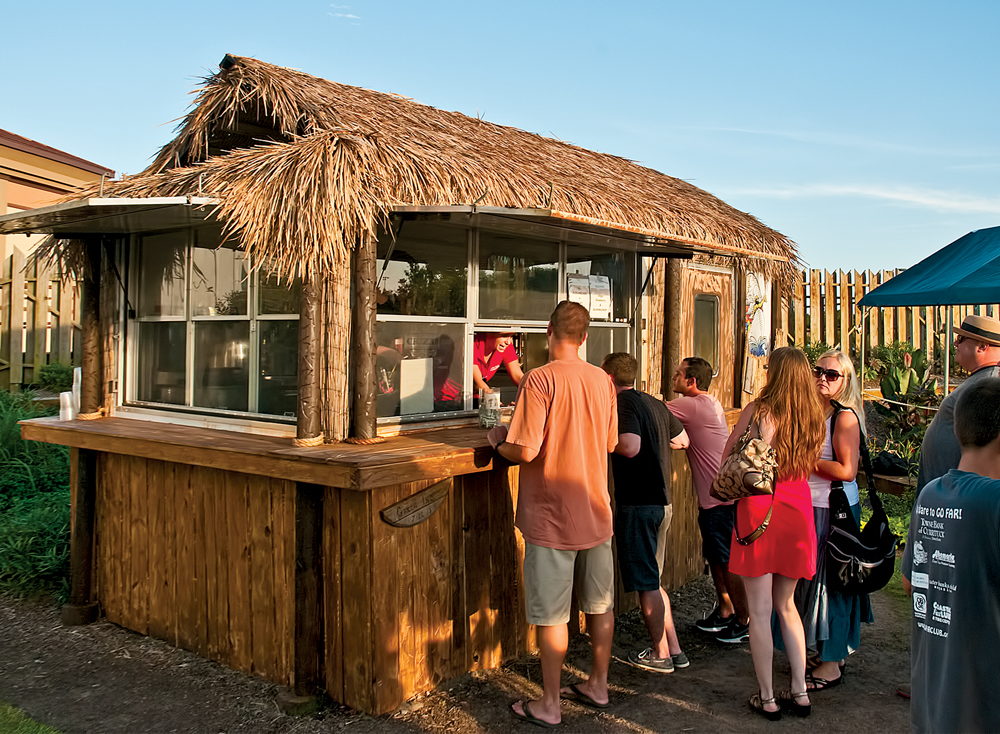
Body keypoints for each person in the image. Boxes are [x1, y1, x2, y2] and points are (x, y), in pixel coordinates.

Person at [486, 301, 618, 728]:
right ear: (585, 337)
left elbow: (525, 449)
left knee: (553, 616)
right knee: (600, 606)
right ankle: (598, 683)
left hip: (551, 515)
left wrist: (497, 441)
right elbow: (611, 443)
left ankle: (549, 704)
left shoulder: (540, 380)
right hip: (597, 510)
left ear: (548, 332)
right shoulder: (602, 380)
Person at [726, 347, 826, 721]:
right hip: (797, 508)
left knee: (760, 609)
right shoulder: (814, 416)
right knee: (787, 606)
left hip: (759, 508)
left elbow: (729, 454)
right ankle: (800, 691)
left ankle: (767, 696)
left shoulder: (759, 410)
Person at [902, 377, 1000, 733]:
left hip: (935, 704)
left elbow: (911, 580)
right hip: (984, 709)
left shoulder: (932, 494)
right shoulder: (993, 502)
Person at [777, 350, 874, 690]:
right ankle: (828, 652)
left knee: (831, 586)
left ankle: (831, 662)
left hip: (833, 511)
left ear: (845, 381)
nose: (822, 378)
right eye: (818, 371)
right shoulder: (813, 412)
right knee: (811, 583)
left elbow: (847, 470)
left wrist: (803, 458)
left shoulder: (844, 417)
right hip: (810, 505)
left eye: (832, 375)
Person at [601, 352, 690, 674]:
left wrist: (601, 439)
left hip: (638, 504)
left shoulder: (622, 405)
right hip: (663, 501)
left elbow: (629, 446)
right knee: (654, 579)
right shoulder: (654, 403)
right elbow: (683, 440)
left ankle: (660, 654)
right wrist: (659, 444)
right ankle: (676, 650)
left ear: (607, 377)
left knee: (647, 585)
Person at [667, 357, 750, 644]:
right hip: (717, 498)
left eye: (678, 374)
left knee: (727, 562)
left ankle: (743, 620)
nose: (673, 377)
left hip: (720, 501)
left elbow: (652, 410)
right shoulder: (708, 403)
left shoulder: (692, 405)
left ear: (692, 381)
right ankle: (725, 610)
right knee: (716, 558)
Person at [917, 314, 1000, 490]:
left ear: (982, 346)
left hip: (959, 496)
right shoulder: (982, 380)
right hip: (949, 493)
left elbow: (989, 447)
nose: (955, 344)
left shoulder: (988, 386)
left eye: (961, 339)